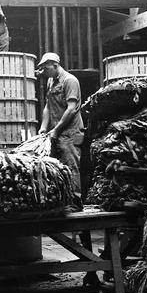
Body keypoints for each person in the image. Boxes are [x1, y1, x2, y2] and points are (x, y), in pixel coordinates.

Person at [37, 52, 84, 208]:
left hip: (70, 133)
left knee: (70, 166)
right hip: (56, 132)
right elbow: (47, 106)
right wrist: (44, 128)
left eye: (46, 68)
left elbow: (71, 109)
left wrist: (56, 130)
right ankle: (63, 202)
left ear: (55, 65)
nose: (44, 71)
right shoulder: (51, 81)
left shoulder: (70, 81)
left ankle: (75, 202)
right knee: (57, 169)